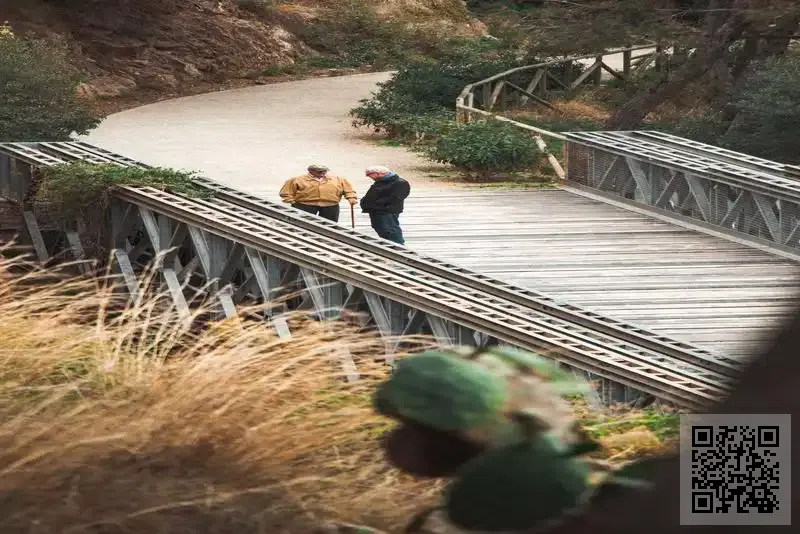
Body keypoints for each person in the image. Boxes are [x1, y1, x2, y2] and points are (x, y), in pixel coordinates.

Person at [279, 164, 357, 223]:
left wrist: (351, 198)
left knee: (330, 226)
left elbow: (349, 190)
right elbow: (286, 193)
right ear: (311, 171)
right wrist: (292, 202)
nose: (323, 173)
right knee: (303, 224)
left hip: (330, 205)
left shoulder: (338, 179)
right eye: (320, 171)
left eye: (325, 171)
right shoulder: (297, 180)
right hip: (305, 205)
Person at [360, 165, 410, 245]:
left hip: (387, 211)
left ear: (378, 173)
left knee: (390, 229)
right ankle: (389, 246)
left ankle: (398, 247)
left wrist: (376, 205)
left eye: (369, 175)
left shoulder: (400, 183)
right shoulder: (381, 181)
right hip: (377, 211)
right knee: (382, 229)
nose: (369, 177)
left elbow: (396, 198)